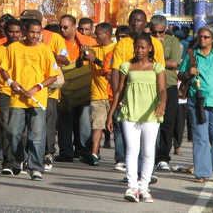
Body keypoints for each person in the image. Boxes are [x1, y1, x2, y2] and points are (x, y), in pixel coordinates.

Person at [106, 33, 166, 203]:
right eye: (136, 47)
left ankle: (144, 187)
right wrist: (111, 115)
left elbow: (162, 90)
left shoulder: (157, 67)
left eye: (142, 47)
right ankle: (132, 187)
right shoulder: (127, 66)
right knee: (132, 151)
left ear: (149, 49)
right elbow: (118, 91)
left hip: (150, 115)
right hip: (129, 113)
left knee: (148, 152)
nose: (139, 50)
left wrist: (162, 104)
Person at [0, 18, 60, 180]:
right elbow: (4, 69)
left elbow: (53, 76)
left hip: (37, 98)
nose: (34, 36)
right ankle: (18, 158)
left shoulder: (45, 50)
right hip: (17, 98)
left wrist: (37, 88)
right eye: (32, 32)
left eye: (38, 33)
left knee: (37, 135)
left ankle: (35, 167)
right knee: (13, 133)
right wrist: (11, 82)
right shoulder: (13, 48)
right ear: (25, 32)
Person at [178, 25, 213, 182]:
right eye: (200, 37)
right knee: (200, 137)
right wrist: (188, 73)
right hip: (197, 101)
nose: (202, 40)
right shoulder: (191, 55)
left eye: (206, 37)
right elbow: (181, 76)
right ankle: (202, 172)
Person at [19, 9, 68, 171]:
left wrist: (49, 54)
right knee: (25, 127)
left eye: (32, 19)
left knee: (46, 124)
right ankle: (26, 156)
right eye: (25, 20)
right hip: (24, 90)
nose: (28, 23)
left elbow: (65, 60)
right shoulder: (20, 38)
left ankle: (47, 153)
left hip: (48, 90)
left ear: (42, 22)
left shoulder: (54, 37)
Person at [58, 14, 97, 164]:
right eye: (61, 27)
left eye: (65, 27)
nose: (62, 30)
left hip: (83, 86)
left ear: (74, 27)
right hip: (64, 87)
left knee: (84, 120)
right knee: (65, 120)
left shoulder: (88, 42)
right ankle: (66, 151)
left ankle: (84, 151)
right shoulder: (57, 41)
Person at [0, 19, 22, 173]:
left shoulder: (28, 50)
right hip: (6, 93)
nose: (14, 35)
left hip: (26, 94)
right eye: (11, 32)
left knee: (22, 128)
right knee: (6, 125)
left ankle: (20, 159)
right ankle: (8, 161)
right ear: (5, 32)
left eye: (17, 32)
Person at [151, 15, 183, 172]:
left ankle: (163, 157)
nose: (157, 36)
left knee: (167, 122)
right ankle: (149, 155)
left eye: (160, 32)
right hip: (150, 85)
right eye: (154, 32)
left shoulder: (173, 42)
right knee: (150, 123)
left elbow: (175, 63)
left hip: (169, 84)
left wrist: (155, 58)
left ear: (166, 28)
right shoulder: (146, 41)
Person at [82, 22, 115, 166]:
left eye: (99, 34)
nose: (96, 36)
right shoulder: (92, 49)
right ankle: (94, 153)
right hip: (97, 94)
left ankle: (121, 158)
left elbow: (112, 69)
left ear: (107, 34)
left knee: (118, 127)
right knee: (97, 125)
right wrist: (82, 57)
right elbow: (79, 65)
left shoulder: (116, 49)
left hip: (114, 93)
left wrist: (95, 59)